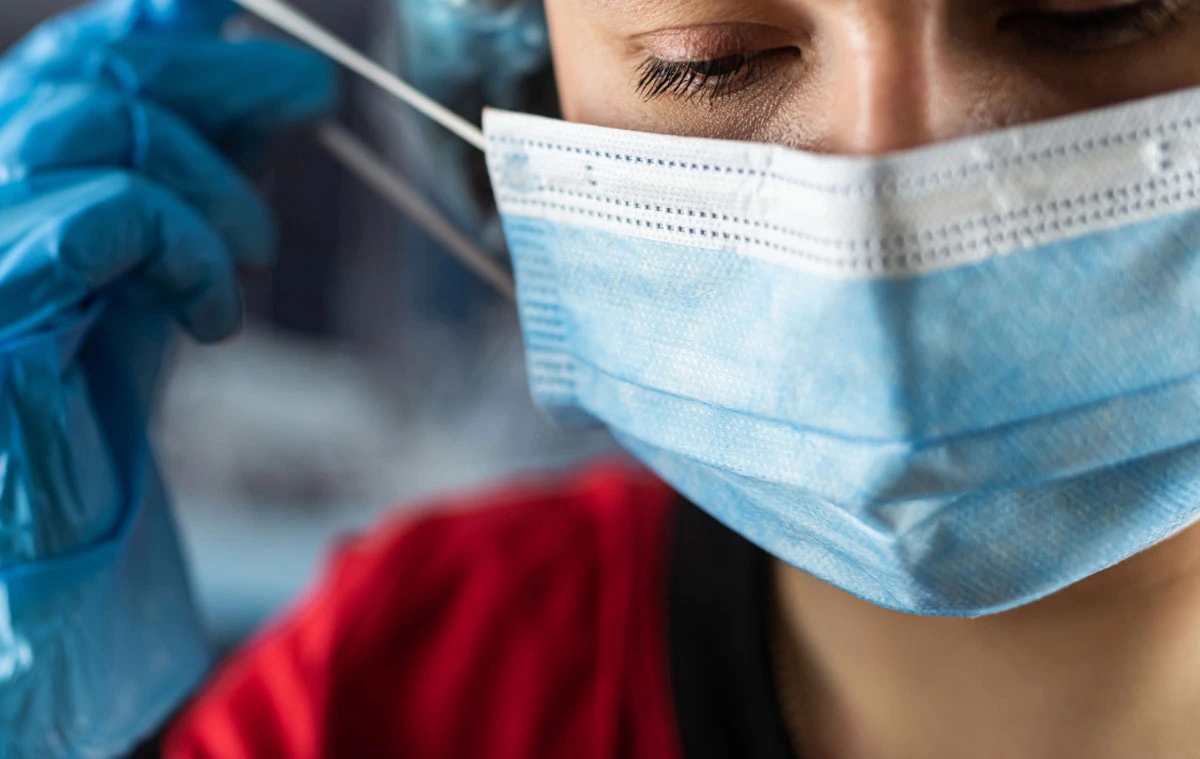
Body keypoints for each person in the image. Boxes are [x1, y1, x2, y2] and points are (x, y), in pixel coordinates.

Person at [5, 0, 1200, 757]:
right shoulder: (398, 686)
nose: (892, 186)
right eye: (711, 62)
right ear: (522, 79)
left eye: (1089, 14)